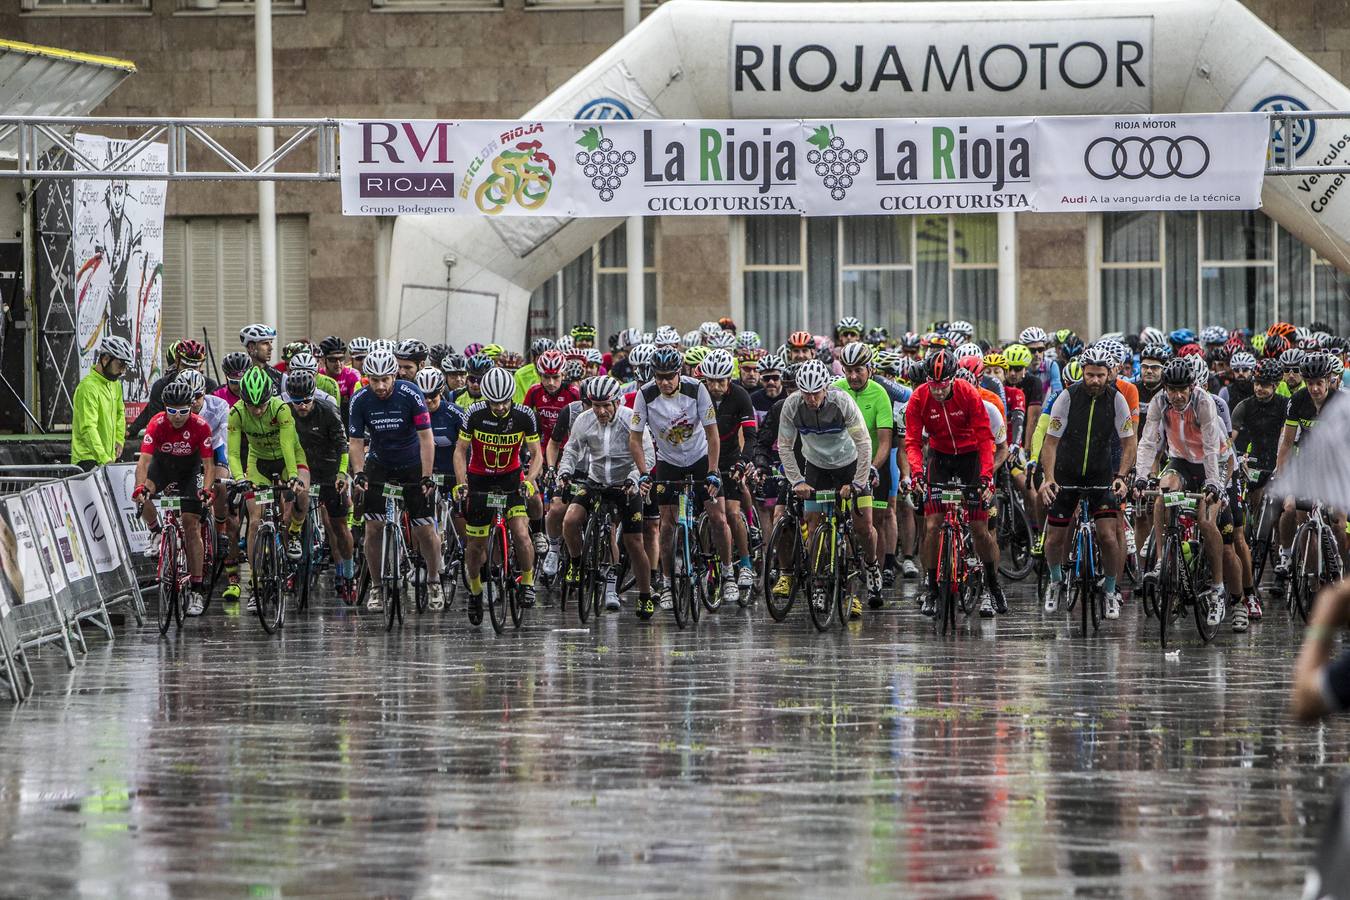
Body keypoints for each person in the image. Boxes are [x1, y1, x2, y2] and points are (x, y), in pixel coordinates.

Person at [628, 347, 740, 608]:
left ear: (680, 373)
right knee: (667, 525)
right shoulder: (645, 395)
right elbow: (634, 439)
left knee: (718, 516)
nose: (665, 382)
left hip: (701, 459)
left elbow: (713, 434)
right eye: (659, 377)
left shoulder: (696, 389)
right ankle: (667, 583)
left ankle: (728, 573)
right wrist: (644, 473)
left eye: (670, 376)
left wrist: (713, 472)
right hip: (669, 462)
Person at [1036, 345, 1136, 620]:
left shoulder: (1117, 400)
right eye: (1090, 375)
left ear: (1109, 374)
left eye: (1100, 375)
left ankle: (1111, 590)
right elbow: (1051, 443)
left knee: (1107, 535)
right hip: (1066, 473)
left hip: (1100, 474)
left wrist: (1121, 477)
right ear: (1083, 372)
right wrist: (1049, 479)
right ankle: (1056, 582)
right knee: (1055, 536)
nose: (1094, 380)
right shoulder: (1066, 398)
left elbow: (1129, 443)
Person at [774, 359, 879, 617]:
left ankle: (871, 564)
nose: (811, 399)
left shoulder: (841, 402)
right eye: (806, 393)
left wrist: (857, 482)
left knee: (862, 526)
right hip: (817, 467)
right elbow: (785, 447)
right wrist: (797, 480)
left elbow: (864, 443)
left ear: (826, 387)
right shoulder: (791, 405)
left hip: (850, 464)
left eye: (816, 392)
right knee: (813, 523)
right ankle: (819, 583)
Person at [904, 348, 1004, 617]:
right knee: (933, 524)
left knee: (979, 528)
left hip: (970, 456)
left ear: (953, 379)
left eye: (943, 385)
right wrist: (916, 474)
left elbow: (985, 439)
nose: (937, 391)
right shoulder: (919, 398)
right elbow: (912, 442)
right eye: (933, 385)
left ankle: (993, 583)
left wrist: (986, 477)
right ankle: (933, 588)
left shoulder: (968, 393)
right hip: (941, 458)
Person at [1134, 357, 1232, 628]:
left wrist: (1213, 483)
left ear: (1192, 386)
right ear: (1165, 387)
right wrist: (1142, 476)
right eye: (1171, 389)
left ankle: (1217, 588)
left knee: (1205, 520)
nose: (1177, 396)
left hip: (1213, 462)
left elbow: (1212, 446)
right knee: (1163, 492)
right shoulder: (1159, 402)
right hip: (1181, 461)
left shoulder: (1204, 402)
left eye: (1182, 390)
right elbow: (1148, 441)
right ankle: (1162, 561)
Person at [348, 349, 443, 613]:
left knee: (424, 529)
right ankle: (377, 587)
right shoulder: (360, 400)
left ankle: (434, 579)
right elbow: (355, 442)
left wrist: (426, 475)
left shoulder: (410, 394)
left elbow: (426, 438)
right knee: (373, 528)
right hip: (379, 463)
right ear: (367, 378)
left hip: (412, 463)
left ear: (394, 375)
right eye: (374, 380)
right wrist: (359, 473)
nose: (379, 386)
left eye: (385, 380)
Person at [452, 366, 542, 624]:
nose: (501, 407)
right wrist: (462, 483)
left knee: (521, 533)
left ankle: (527, 582)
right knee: (475, 546)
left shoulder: (524, 415)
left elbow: (536, 453)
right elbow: (460, 451)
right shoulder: (475, 414)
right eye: (494, 402)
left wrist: (530, 480)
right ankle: (476, 590)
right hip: (479, 479)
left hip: (511, 478)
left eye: (505, 401)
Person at [559, 376, 654, 617]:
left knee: (634, 543)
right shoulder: (584, 419)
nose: (600, 411)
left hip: (625, 485)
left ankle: (644, 594)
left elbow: (648, 455)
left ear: (617, 401)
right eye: (595, 405)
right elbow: (572, 449)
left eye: (606, 405)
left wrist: (635, 478)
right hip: (596, 480)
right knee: (570, 520)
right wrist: (565, 471)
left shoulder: (630, 418)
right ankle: (576, 562)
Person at [132, 378, 216, 616]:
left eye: (183, 411)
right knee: (140, 494)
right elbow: (144, 462)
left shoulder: (200, 426)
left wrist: (207, 489)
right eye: (172, 411)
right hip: (163, 468)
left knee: (191, 526)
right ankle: (157, 531)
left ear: (191, 407)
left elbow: (209, 465)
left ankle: (197, 589)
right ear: (165, 409)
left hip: (190, 472)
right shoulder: (156, 423)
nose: (177, 417)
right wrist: (140, 487)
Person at [227, 367, 308, 611]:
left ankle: (293, 532)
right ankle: (255, 582)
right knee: (254, 520)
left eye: (261, 404)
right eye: (251, 405)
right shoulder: (236, 413)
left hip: (288, 458)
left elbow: (286, 444)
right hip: (258, 462)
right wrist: (240, 478)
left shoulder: (281, 409)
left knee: (298, 496)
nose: (257, 410)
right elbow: (232, 452)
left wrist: (293, 476)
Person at [285, 370, 357, 602]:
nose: (302, 406)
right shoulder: (285, 413)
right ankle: (290, 565)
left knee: (338, 525)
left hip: (329, 468)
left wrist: (342, 474)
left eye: (307, 400)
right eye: (297, 402)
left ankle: (347, 573)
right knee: (286, 512)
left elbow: (342, 447)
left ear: (313, 396)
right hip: (302, 466)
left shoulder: (328, 411)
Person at [834, 342, 891, 605]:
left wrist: (870, 469)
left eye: (858, 370)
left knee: (866, 527)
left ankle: (871, 566)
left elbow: (884, 442)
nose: (853, 376)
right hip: (839, 464)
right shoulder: (835, 390)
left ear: (870, 368)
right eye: (848, 371)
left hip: (870, 464)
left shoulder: (879, 394)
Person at [700, 349, 759, 596]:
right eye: (710, 381)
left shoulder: (741, 395)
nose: (715, 386)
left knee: (732, 514)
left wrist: (743, 462)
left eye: (720, 381)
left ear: (729, 378)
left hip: (731, 458)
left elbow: (751, 434)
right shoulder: (699, 394)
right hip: (704, 460)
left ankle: (745, 564)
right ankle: (708, 564)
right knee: (710, 517)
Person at [72, 335, 132, 471]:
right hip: (87, 459)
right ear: (105, 359)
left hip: (106, 458)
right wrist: (104, 459)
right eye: (120, 365)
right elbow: (88, 428)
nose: (122, 371)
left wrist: (119, 439)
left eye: (125, 366)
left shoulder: (115, 384)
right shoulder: (88, 387)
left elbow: (120, 413)